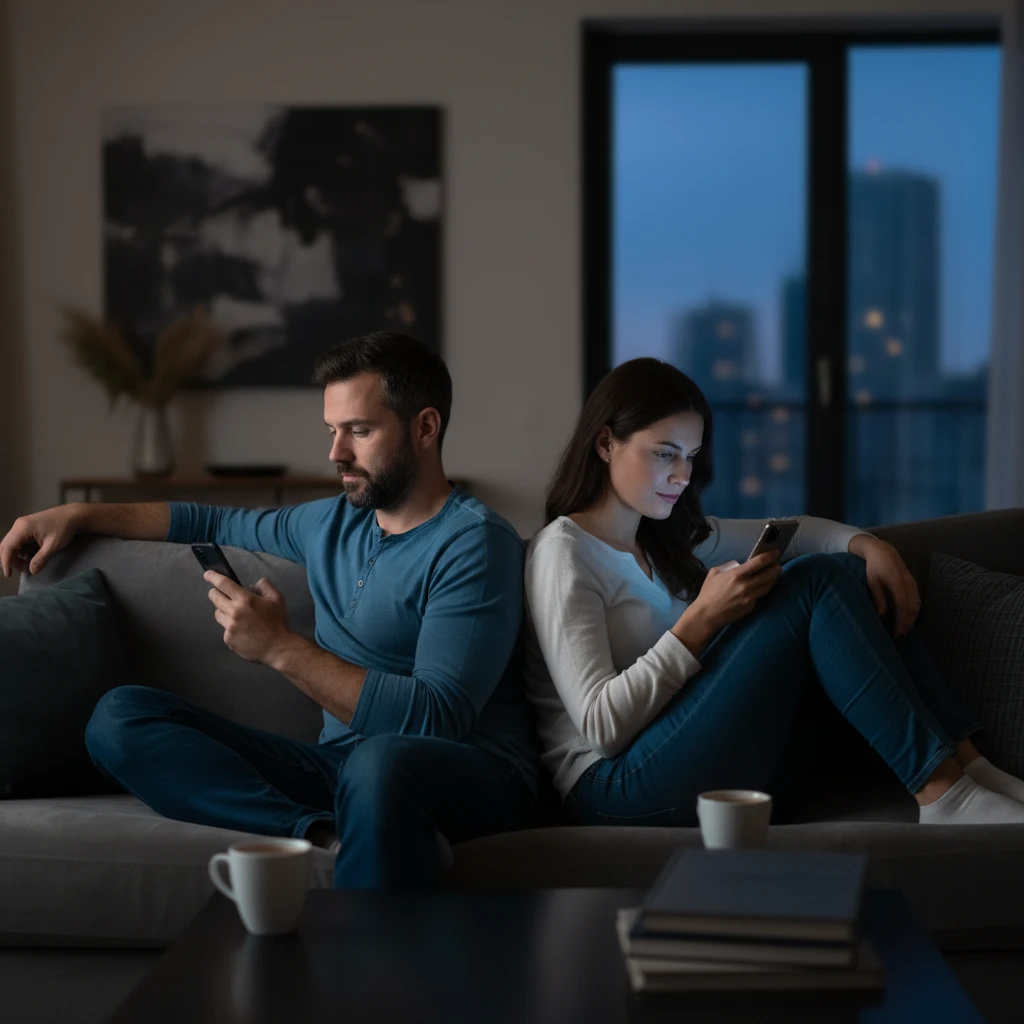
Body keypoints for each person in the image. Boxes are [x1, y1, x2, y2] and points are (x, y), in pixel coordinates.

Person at [0, 332, 539, 887]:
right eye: (332, 431)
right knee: (119, 717)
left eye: (359, 430)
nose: (336, 453)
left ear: (425, 427)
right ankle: (322, 834)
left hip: (469, 773)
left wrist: (281, 649)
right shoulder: (330, 523)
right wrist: (78, 514)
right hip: (342, 773)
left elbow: (436, 718)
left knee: (381, 764)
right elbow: (205, 522)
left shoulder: (473, 542)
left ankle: (362, 960)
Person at [523, 357, 1024, 828]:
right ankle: (944, 797)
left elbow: (799, 531)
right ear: (606, 442)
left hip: (691, 756)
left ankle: (971, 767)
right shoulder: (564, 552)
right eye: (664, 454)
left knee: (844, 571)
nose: (682, 476)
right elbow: (601, 729)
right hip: (615, 787)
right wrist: (702, 619)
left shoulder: (672, 538)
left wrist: (872, 548)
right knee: (812, 583)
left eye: (691, 457)